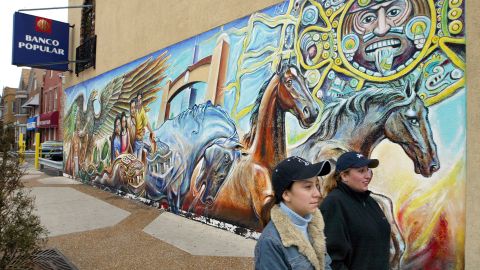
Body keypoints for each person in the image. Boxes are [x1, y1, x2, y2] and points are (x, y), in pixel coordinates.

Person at [255, 156, 332, 270]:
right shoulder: (271, 242)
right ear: (286, 194)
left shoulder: (313, 226)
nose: (318, 194)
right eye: (308, 187)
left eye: (316, 185)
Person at [320, 151, 390, 270]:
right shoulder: (334, 203)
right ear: (344, 176)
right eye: (361, 171)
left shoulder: (370, 202)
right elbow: (332, 260)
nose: (368, 175)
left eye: (368, 169)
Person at [133, 91, 154, 162]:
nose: (139, 101)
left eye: (140, 99)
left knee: (139, 157)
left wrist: (151, 132)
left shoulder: (141, 110)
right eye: (138, 100)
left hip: (140, 137)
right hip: (134, 137)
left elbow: (146, 122)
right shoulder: (134, 110)